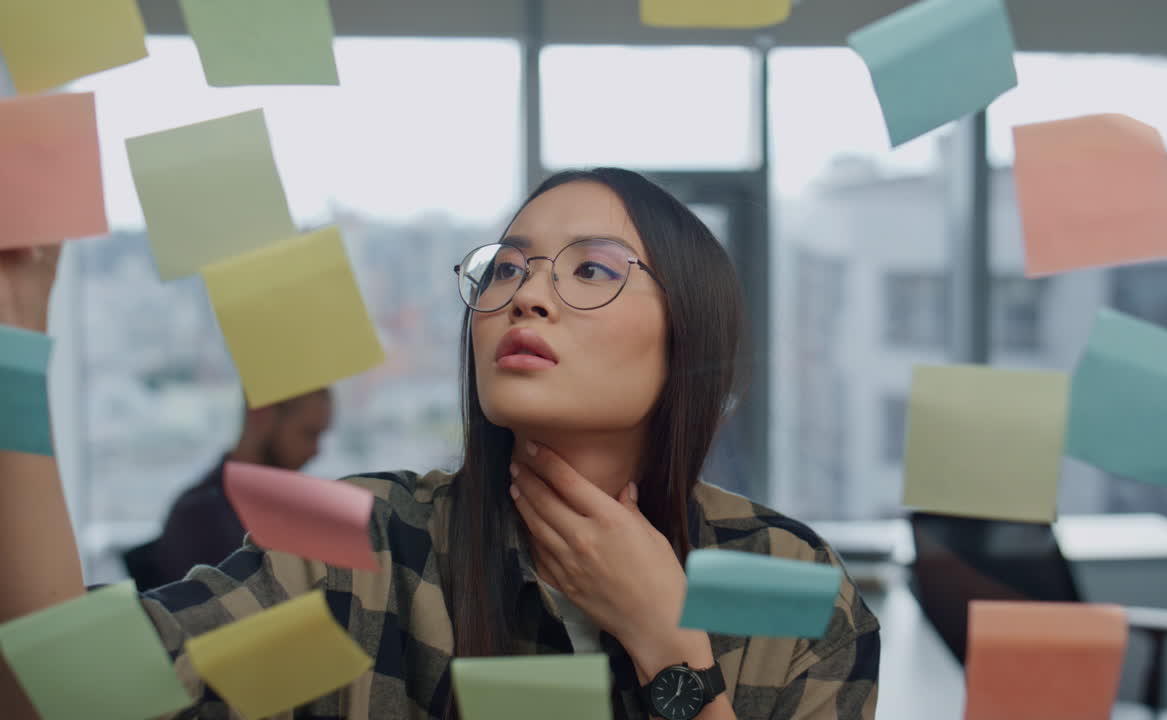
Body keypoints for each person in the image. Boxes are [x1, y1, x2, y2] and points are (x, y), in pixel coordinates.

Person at [0, 168, 880, 720]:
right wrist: (16, 334)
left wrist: (664, 640)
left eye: (592, 270)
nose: (526, 294)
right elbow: (55, 692)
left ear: (689, 337)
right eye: (506, 266)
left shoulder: (790, 584)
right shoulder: (360, 539)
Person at [124, 389, 334, 591]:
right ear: (261, 414)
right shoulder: (199, 516)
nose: (315, 451)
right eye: (309, 434)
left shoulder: (294, 511)